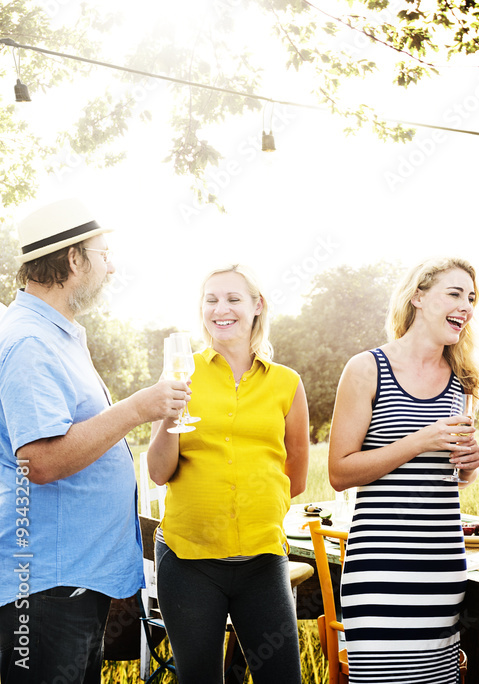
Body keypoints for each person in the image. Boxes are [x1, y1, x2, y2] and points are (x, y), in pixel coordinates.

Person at [0, 198, 188, 684]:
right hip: (49, 584)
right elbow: (39, 462)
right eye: (104, 253)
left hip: (69, 578)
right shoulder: (29, 342)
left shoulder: (54, 335)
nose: (112, 265)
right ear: (74, 260)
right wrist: (138, 408)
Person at [146, 264, 310, 683]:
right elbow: (158, 472)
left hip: (262, 559)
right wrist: (167, 418)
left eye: (233, 299)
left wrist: (254, 510)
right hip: (188, 561)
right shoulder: (180, 376)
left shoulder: (286, 383)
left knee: (281, 677)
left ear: (257, 307)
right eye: (211, 299)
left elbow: (297, 472)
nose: (222, 309)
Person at [328, 257, 479, 682]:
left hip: (442, 567)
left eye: (471, 298)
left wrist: (470, 465)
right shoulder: (366, 369)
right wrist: (421, 440)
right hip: (380, 570)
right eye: (454, 294)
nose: (466, 306)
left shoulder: (464, 380)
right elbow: (340, 472)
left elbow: (455, 476)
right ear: (418, 296)